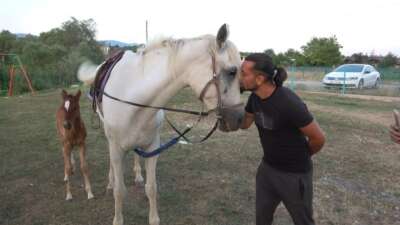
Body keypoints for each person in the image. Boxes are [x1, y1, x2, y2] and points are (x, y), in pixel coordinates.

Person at [239, 53, 325, 225]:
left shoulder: (289, 102)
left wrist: (300, 157)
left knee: (303, 221)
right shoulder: (254, 98)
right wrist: (224, 111)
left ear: (260, 78)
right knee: (262, 218)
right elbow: (245, 123)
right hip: (267, 170)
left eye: (243, 73)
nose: (239, 78)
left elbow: (318, 138)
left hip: (294, 175)